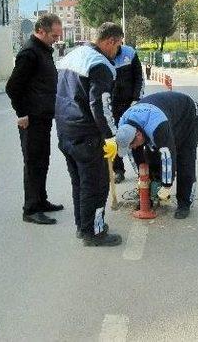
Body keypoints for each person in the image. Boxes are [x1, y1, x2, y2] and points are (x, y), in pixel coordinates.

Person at [55, 22, 124, 247]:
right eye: (118, 45)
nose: (118, 51)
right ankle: (94, 232)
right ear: (110, 41)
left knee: (80, 183)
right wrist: (111, 136)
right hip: (88, 136)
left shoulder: (73, 57)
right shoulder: (99, 65)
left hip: (66, 131)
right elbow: (100, 105)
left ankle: (82, 227)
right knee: (96, 185)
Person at [5, 13, 63, 225]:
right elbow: (12, 87)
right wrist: (21, 114)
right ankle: (30, 209)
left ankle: (41, 200)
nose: (56, 39)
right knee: (33, 162)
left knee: (42, 160)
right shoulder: (29, 53)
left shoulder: (43, 50)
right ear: (41, 31)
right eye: (53, 35)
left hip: (43, 117)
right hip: (31, 120)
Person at [115, 91, 198, 219]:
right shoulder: (124, 125)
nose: (132, 147)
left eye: (132, 144)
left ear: (138, 134)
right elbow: (136, 156)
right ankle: (151, 195)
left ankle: (185, 203)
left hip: (187, 114)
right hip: (162, 113)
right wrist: (144, 180)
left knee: (184, 159)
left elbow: (168, 157)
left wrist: (166, 185)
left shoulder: (158, 128)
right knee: (150, 155)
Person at [111, 37, 144, 183]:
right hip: (111, 106)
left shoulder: (129, 53)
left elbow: (139, 78)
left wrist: (136, 99)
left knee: (135, 138)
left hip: (130, 105)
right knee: (114, 139)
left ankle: (142, 171)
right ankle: (118, 170)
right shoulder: (103, 55)